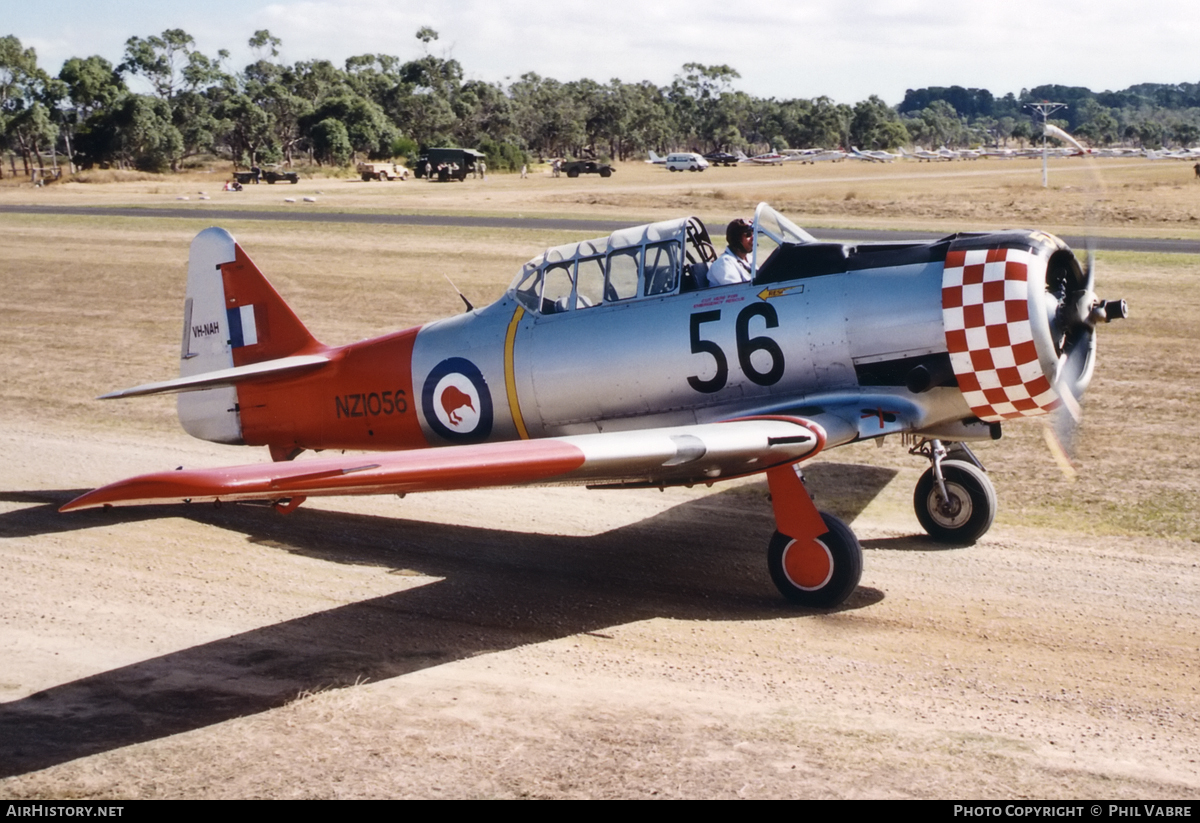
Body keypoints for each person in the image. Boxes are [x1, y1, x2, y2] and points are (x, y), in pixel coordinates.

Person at [706, 218, 754, 286]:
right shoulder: (724, 263)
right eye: (748, 234)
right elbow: (739, 292)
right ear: (736, 239)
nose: (753, 238)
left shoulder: (749, 259)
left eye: (754, 233)